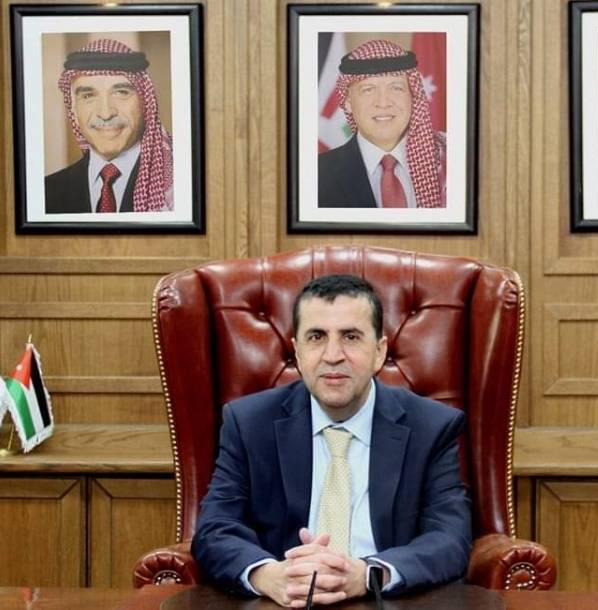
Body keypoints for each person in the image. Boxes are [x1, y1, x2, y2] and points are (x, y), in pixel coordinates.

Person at [191, 274, 471, 606]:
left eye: (351, 337)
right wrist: (269, 576)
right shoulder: (249, 423)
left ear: (379, 351)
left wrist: (368, 574)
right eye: (316, 337)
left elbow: (449, 538)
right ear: (297, 351)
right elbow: (215, 528)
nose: (333, 355)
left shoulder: (432, 427)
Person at [44, 38, 173, 214]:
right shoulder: (47, 192)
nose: (105, 113)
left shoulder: (178, 185)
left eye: (121, 92)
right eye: (88, 96)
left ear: (145, 103)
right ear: (73, 109)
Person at [318, 39, 446, 208]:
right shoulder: (317, 174)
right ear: (348, 101)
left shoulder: (449, 162)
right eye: (368, 89)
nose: (384, 103)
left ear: (413, 96)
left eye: (396, 88)